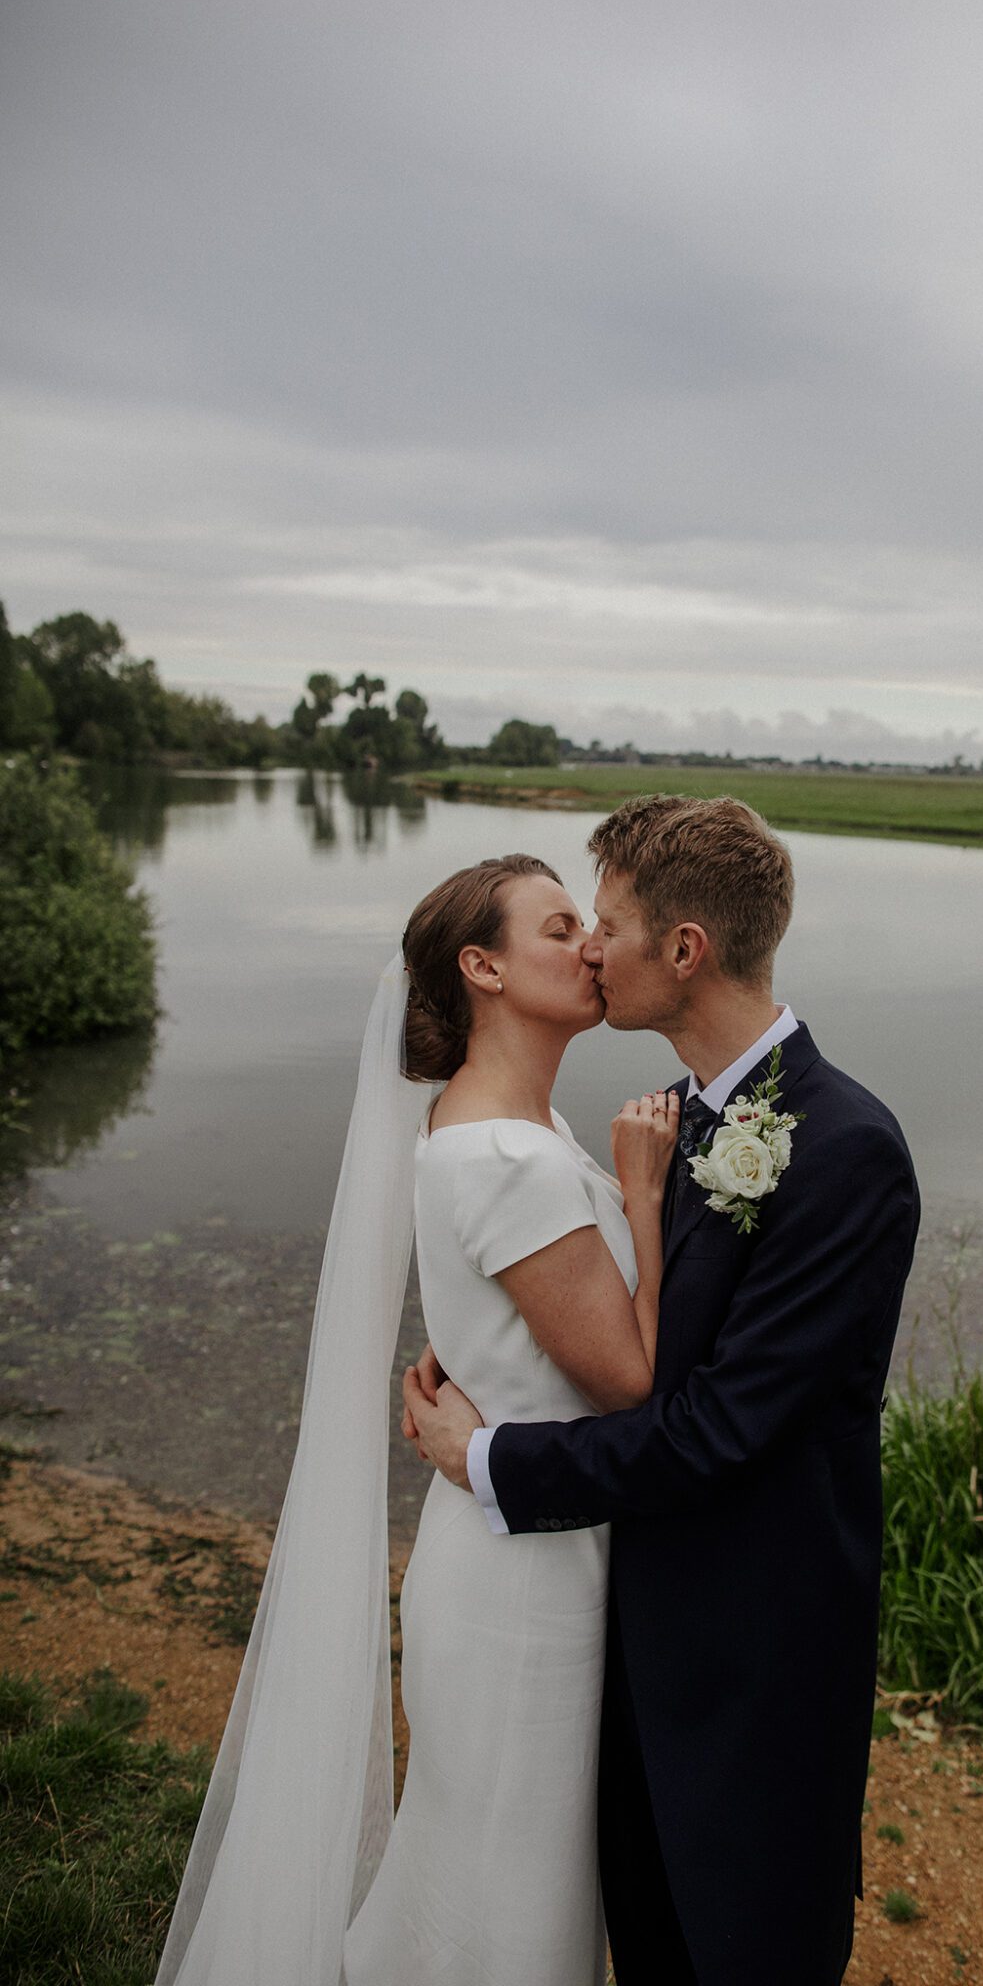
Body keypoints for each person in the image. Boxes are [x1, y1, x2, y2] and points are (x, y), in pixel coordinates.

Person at [404, 793, 921, 1986]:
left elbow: (718, 1428)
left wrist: (488, 1456)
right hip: (623, 1639)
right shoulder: (678, 1122)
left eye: (612, 924)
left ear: (682, 950)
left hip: (750, 1662)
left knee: (740, 1950)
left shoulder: (843, 1148)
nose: (591, 947)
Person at [153, 852, 678, 1986]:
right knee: (510, 1888)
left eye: (588, 923)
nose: (589, 944)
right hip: (526, 1586)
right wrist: (644, 1191)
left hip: (516, 1540)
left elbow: (520, 1322)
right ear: (480, 967)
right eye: (556, 928)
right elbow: (631, 1378)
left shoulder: (495, 1126)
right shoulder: (504, 1151)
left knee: (488, 1868)